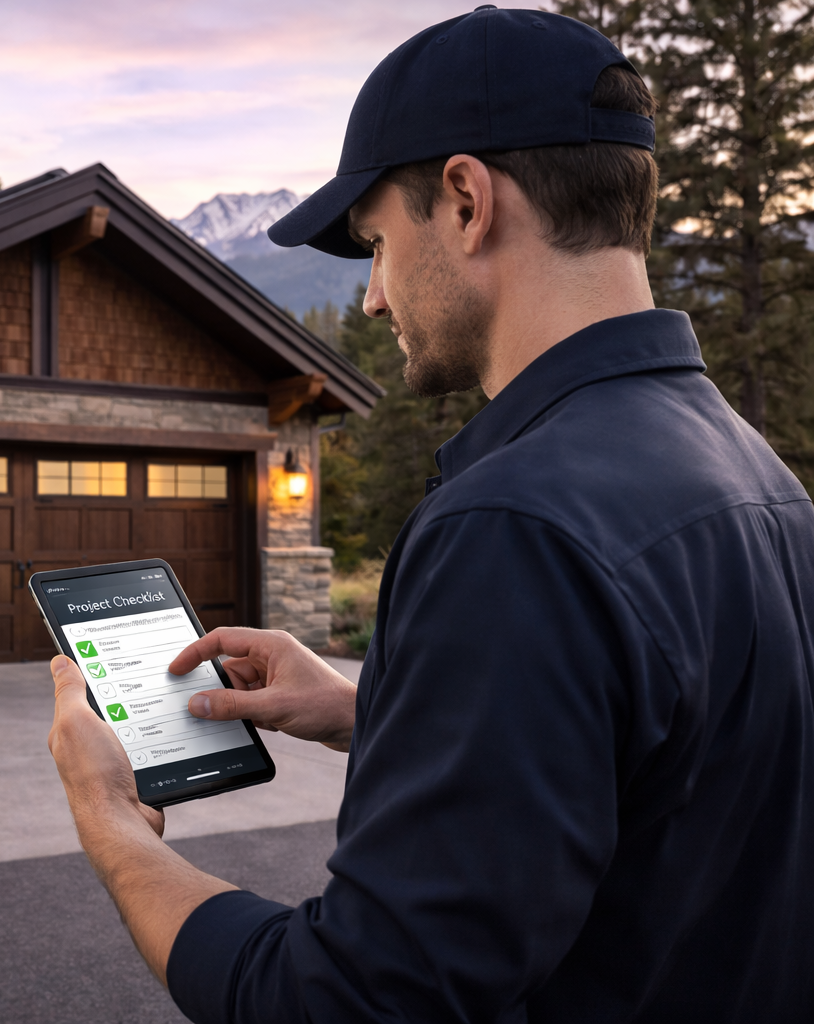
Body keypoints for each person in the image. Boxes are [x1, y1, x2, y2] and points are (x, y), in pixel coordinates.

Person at [45, 8, 814, 1022]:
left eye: (374, 244)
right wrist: (378, 709)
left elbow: (355, 1001)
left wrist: (113, 828)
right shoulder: (760, 480)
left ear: (463, 201)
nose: (370, 298)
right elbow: (676, 769)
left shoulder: (513, 527)